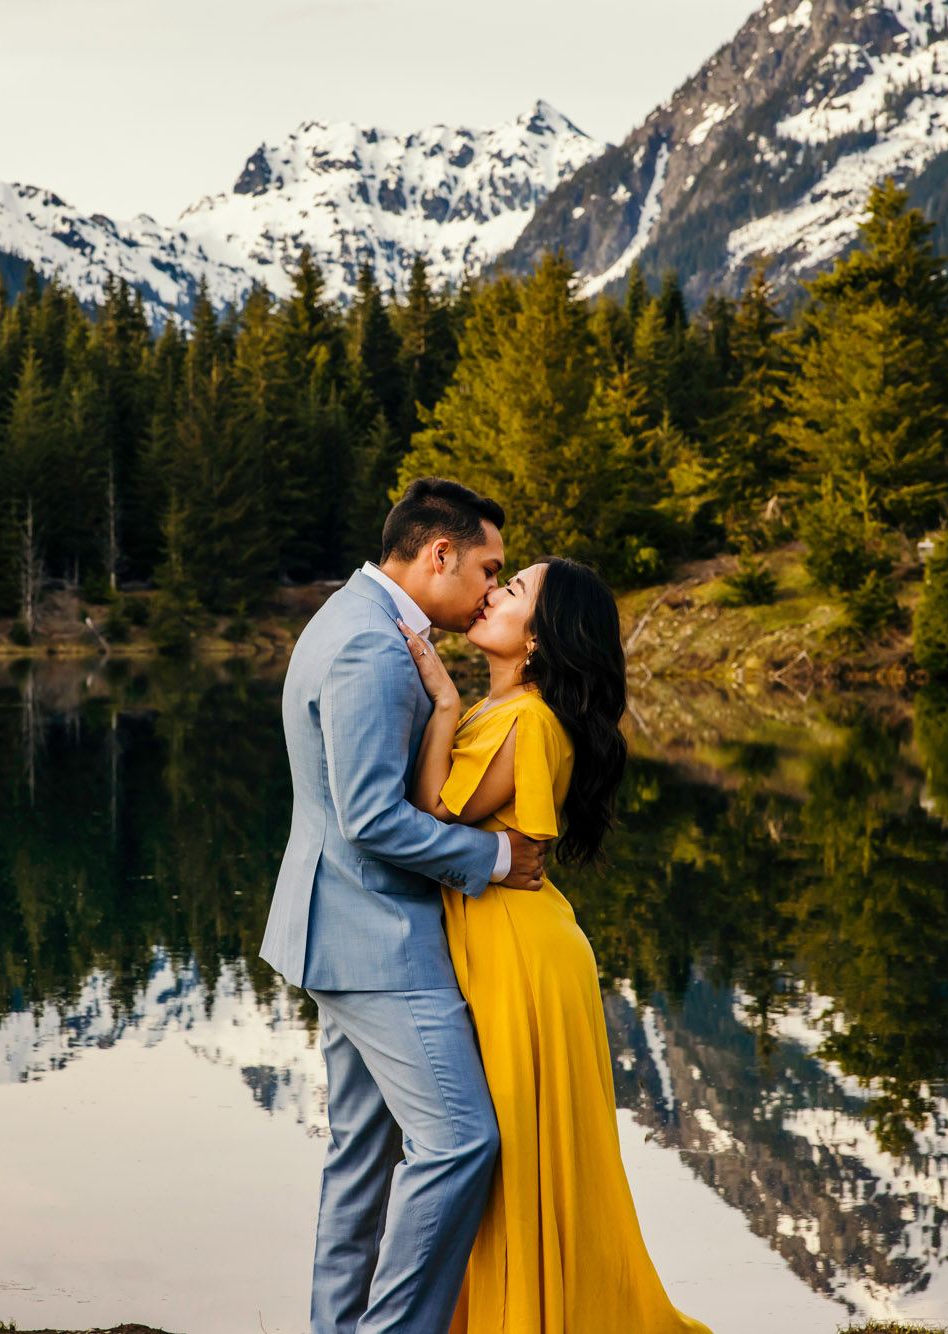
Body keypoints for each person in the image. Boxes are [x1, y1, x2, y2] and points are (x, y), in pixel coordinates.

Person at [261, 478, 550, 1334]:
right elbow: (373, 817)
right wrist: (495, 855)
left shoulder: (359, 621)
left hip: (341, 931)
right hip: (376, 938)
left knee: (363, 1154)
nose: (491, 589)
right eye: (487, 568)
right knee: (460, 1142)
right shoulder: (370, 647)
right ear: (439, 554)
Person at [397, 554, 712, 1334]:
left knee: (508, 1152)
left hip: (519, 956)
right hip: (511, 941)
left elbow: (428, 814)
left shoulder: (527, 720)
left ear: (540, 637)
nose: (491, 596)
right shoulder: (508, 711)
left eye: (512, 591)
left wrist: (441, 704)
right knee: (501, 1152)